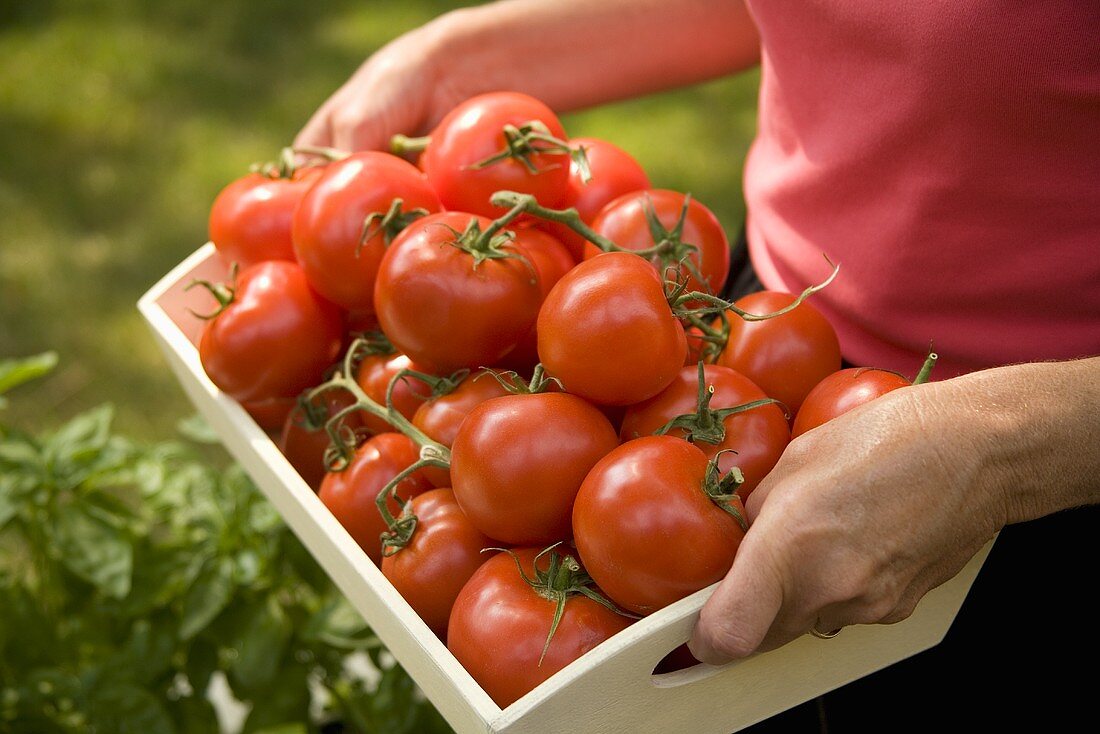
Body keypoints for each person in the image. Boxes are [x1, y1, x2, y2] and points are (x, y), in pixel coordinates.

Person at [296, 1, 1100, 730]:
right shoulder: (656, 345)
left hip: (1046, 462)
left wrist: (1004, 450)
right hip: (754, 339)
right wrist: (455, 58)